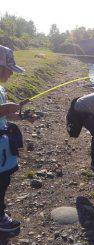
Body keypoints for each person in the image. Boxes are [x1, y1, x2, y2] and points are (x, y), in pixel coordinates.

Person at [0, 45, 35, 232]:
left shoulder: (1, 89)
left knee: (4, 180)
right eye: (9, 70)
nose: (12, 74)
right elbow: (2, 111)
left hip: (3, 146)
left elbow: (5, 115)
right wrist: (5, 108)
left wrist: (21, 116)